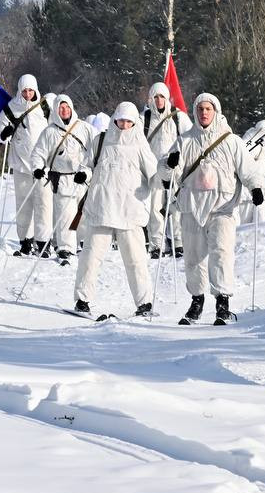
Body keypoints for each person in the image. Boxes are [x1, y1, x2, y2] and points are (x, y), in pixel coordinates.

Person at [160, 93, 265, 326]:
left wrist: (256, 187)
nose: (204, 113)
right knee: (193, 257)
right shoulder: (184, 141)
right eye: (200, 109)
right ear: (195, 112)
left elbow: (249, 170)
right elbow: (166, 174)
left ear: (216, 111)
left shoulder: (231, 141)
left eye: (208, 109)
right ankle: (196, 302)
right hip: (192, 207)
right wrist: (169, 164)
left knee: (221, 253)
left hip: (222, 208)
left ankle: (223, 303)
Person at [73, 101, 157, 318]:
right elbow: (87, 164)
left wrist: (166, 178)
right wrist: (83, 174)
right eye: (121, 120)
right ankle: (82, 300)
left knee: (136, 260)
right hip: (101, 208)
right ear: (114, 119)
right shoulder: (101, 140)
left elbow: (154, 175)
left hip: (129, 210)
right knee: (90, 257)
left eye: (129, 121)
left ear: (134, 123)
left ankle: (144, 303)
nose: (124, 125)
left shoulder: (140, 145)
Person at [29, 94, 95, 264]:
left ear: (71, 107)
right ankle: (65, 248)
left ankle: (84, 243)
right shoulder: (50, 132)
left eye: (67, 107)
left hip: (84, 178)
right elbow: (38, 153)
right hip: (63, 180)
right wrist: (37, 168)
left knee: (84, 215)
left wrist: (89, 170)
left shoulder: (85, 128)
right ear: (56, 110)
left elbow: (96, 150)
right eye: (61, 108)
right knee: (66, 215)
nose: (64, 110)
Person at [0, 74, 50, 257]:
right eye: (24, 90)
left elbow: (55, 130)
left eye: (30, 90)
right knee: (23, 205)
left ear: (35, 89)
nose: (27, 94)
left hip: (42, 165)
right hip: (21, 164)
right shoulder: (11, 108)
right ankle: (25, 241)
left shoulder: (44, 107)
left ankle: (43, 243)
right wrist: (4, 133)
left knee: (44, 205)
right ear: (19, 90)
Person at [143, 82, 191, 259]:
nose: (158, 100)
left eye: (162, 96)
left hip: (174, 172)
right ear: (150, 99)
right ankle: (157, 244)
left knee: (176, 207)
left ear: (167, 98)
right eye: (155, 97)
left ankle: (178, 241)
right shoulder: (144, 119)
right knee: (154, 209)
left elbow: (189, 139)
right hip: (153, 173)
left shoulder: (179, 118)